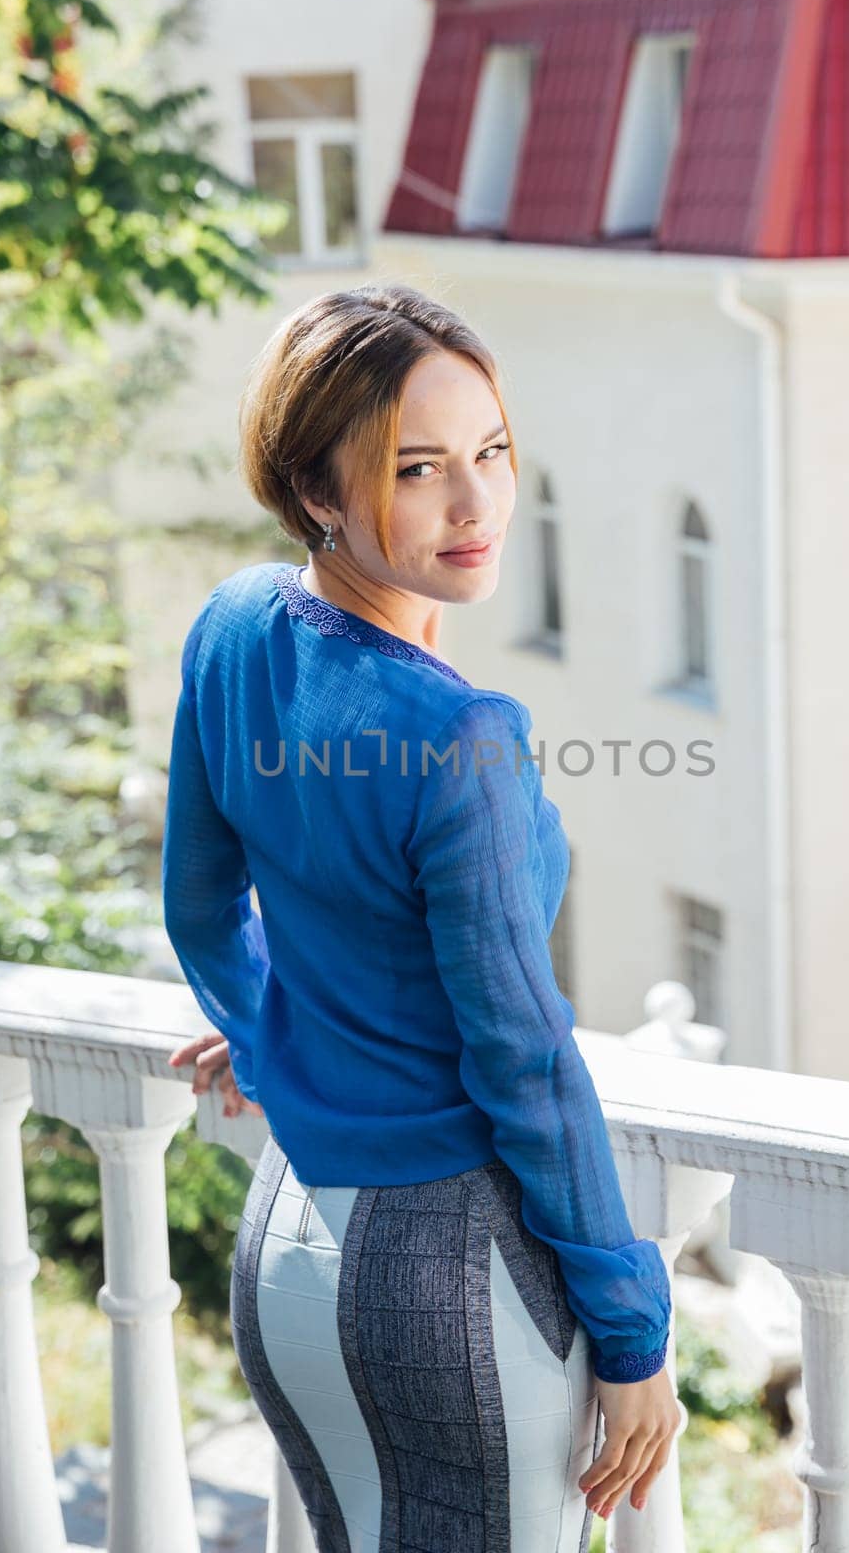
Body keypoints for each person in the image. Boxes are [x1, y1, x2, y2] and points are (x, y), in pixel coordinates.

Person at [162, 283, 681, 1547]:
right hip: (449, 1274)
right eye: (416, 468)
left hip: (288, 1242)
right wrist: (632, 1331)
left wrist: (288, 1039)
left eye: (491, 452)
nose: (475, 502)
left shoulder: (233, 625)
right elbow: (525, 1056)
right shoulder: (461, 736)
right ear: (317, 491)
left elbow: (197, 906)